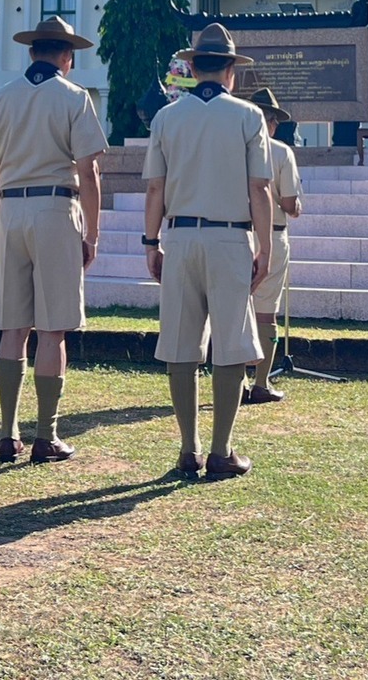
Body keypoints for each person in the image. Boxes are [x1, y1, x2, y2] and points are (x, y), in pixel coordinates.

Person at [0, 13, 108, 464]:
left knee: (13, 329)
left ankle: (8, 434)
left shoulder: (0, 98)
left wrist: (0, 221)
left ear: (32, 51)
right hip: (56, 207)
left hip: (11, 209)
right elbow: (89, 171)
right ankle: (45, 435)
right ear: (67, 56)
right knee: (52, 330)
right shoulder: (74, 97)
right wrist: (92, 230)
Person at [143, 24, 274, 479]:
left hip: (179, 236)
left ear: (193, 67)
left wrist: (150, 241)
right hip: (230, 237)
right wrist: (266, 245)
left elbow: (155, 188)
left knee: (180, 343)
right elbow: (259, 188)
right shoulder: (248, 116)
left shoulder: (166, 117)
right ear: (231, 71)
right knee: (231, 344)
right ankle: (221, 449)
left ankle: (188, 448)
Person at [244, 86, 303, 405]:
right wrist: (292, 206)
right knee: (266, 312)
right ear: (272, 122)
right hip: (273, 232)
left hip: (236, 233)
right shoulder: (281, 153)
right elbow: (291, 202)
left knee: (235, 310)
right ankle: (261, 382)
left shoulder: (235, 148)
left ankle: (236, 380)